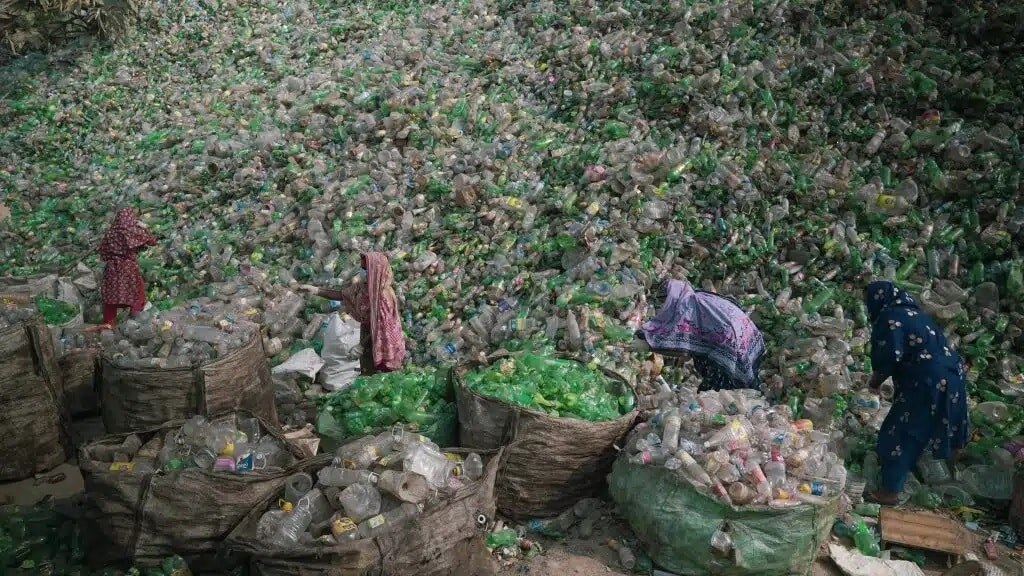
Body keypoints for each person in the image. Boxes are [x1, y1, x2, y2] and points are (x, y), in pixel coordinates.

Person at [863, 280, 969, 505]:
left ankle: (890, 491)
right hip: (953, 376)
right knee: (947, 424)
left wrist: (874, 383)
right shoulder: (916, 314)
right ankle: (952, 479)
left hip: (927, 381)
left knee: (901, 431)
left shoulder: (890, 317)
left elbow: (889, 357)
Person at [637, 279, 765, 392]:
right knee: (742, 379)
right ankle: (749, 394)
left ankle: (718, 399)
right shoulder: (697, 297)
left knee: (717, 387)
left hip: (729, 339)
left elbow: (682, 347)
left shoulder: (685, 308)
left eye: (664, 300)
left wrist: (647, 346)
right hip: (746, 331)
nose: (663, 305)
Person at [299, 252, 405, 374]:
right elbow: (342, 294)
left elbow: (380, 328)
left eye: (365, 268)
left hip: (382, 339)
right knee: (367, 367)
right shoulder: (364, 287)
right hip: (367, 331)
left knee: (380, 371)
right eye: (362, 267)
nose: (362, 271)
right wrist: (316, 290)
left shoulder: (382, 297)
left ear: (376, 270)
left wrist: (361, 346)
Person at [95, 207, 156, 329]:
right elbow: (152, 242)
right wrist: (144, 228)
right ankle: (134, 322)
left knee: (111, 297)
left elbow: (102, 253)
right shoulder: (131, 231)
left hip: (112, 268)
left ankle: (108, 323)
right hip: (128, 267)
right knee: (137, 294)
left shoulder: (110, 233)